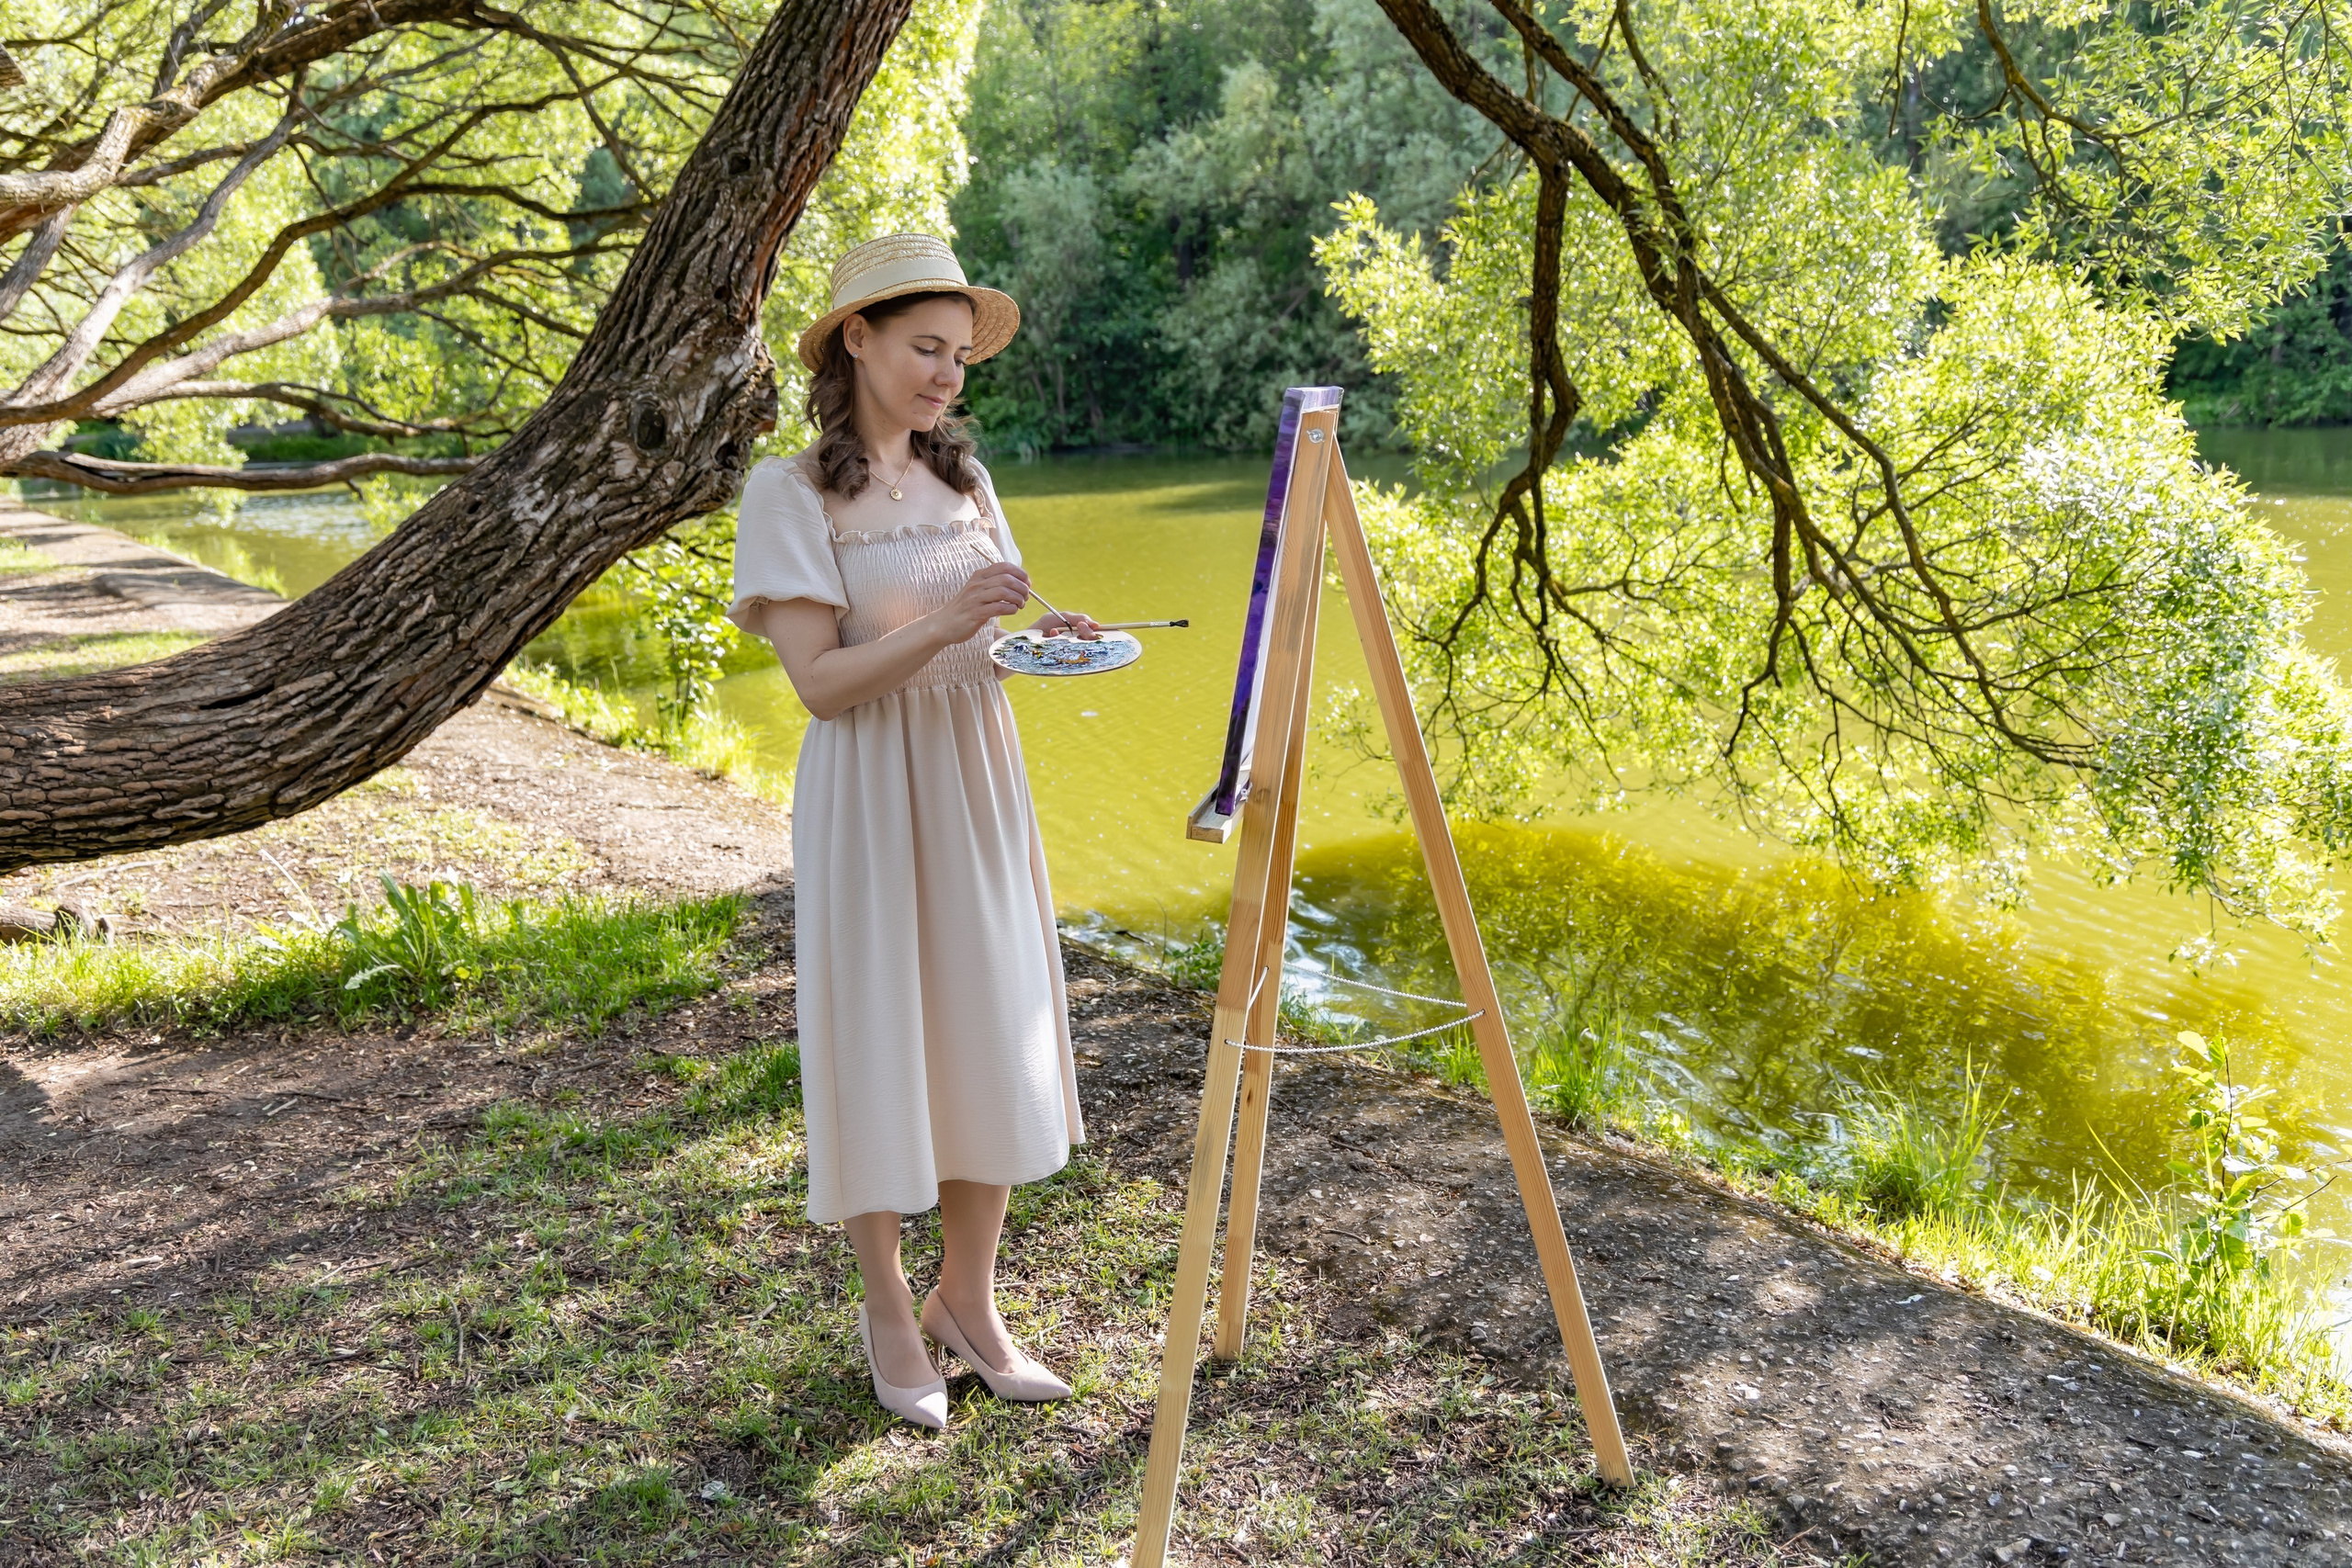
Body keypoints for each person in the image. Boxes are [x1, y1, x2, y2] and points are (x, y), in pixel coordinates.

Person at [727, 233, 1089, 1429]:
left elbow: (995, 625)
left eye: (961, 353)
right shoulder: (790, 493)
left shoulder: (968, 482)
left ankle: (969, 1305)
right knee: (881, 1040)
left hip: (978, 778)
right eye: (926, 348)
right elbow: (822, 686)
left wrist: (1044, 634)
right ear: (856, 343)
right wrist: (944, 627)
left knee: (988, 1029)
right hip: (871, 794)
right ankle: (888, 1301)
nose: (949, 374)